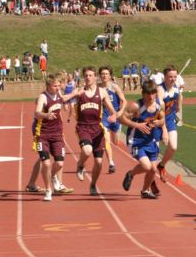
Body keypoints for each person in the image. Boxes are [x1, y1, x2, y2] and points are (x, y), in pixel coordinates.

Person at [26, 73, 78, 201]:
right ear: (49, 85)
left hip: (57, 133)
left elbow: (63, 98)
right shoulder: (43, 97)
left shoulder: (59, 94)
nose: (58, 88)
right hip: (42, 134)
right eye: (55, 86)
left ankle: (53, 177)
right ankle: (48, 190)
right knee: (46, 163)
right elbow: (36, 112)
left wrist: (75, 93)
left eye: (59, 85)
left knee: (59, 163)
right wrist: (46, 115)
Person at [121, 81, 168, 199]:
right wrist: (137, 125)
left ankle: (145, 191)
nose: (151, 97)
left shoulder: (159, 105)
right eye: (148, 94)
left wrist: (160, 124)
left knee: (153, 169)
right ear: (143, 94)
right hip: (135, 140)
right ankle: (130, 174)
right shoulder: (136, 106)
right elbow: (121, 119)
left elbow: (162, 119)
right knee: (146, 166)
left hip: (150, 140)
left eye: (153, 94)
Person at [75, 66, 117, 196]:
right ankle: (80, 165)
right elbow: (65, 99)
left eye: (90, 75)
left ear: (95, 77)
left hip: (97, 128)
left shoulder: (102, 92)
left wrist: (114, 115)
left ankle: (93, 184)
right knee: (87, 150)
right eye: (86, 75)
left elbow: (111, 109)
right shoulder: (79, 92)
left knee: (99, 162)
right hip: (83, 127)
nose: (88, 77)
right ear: (84, 77)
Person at [97, 65, 126, 174]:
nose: (104, 76)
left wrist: (119, 113)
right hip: (103, 117)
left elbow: (124, 101)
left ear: (110, 76)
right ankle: (111, 163)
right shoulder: (97, 88)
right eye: (102, 74)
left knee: (116, 141)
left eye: (106, 74)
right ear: (100, 76)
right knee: (106, 140)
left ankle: (111, 157)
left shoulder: (114, 87)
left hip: (116, 118)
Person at [156, 65, 182, 183]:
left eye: (175, 77)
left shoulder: (175, 86)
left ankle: (161, 166)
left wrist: (179, 106)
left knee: (173, 146)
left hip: (170, 120)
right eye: (170, 77)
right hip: (158, 122)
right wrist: (164, 130)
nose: (173, 79)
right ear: (165, 77)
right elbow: (160, 112)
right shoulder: (160, 90)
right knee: (154, 152)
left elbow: (179, 95)